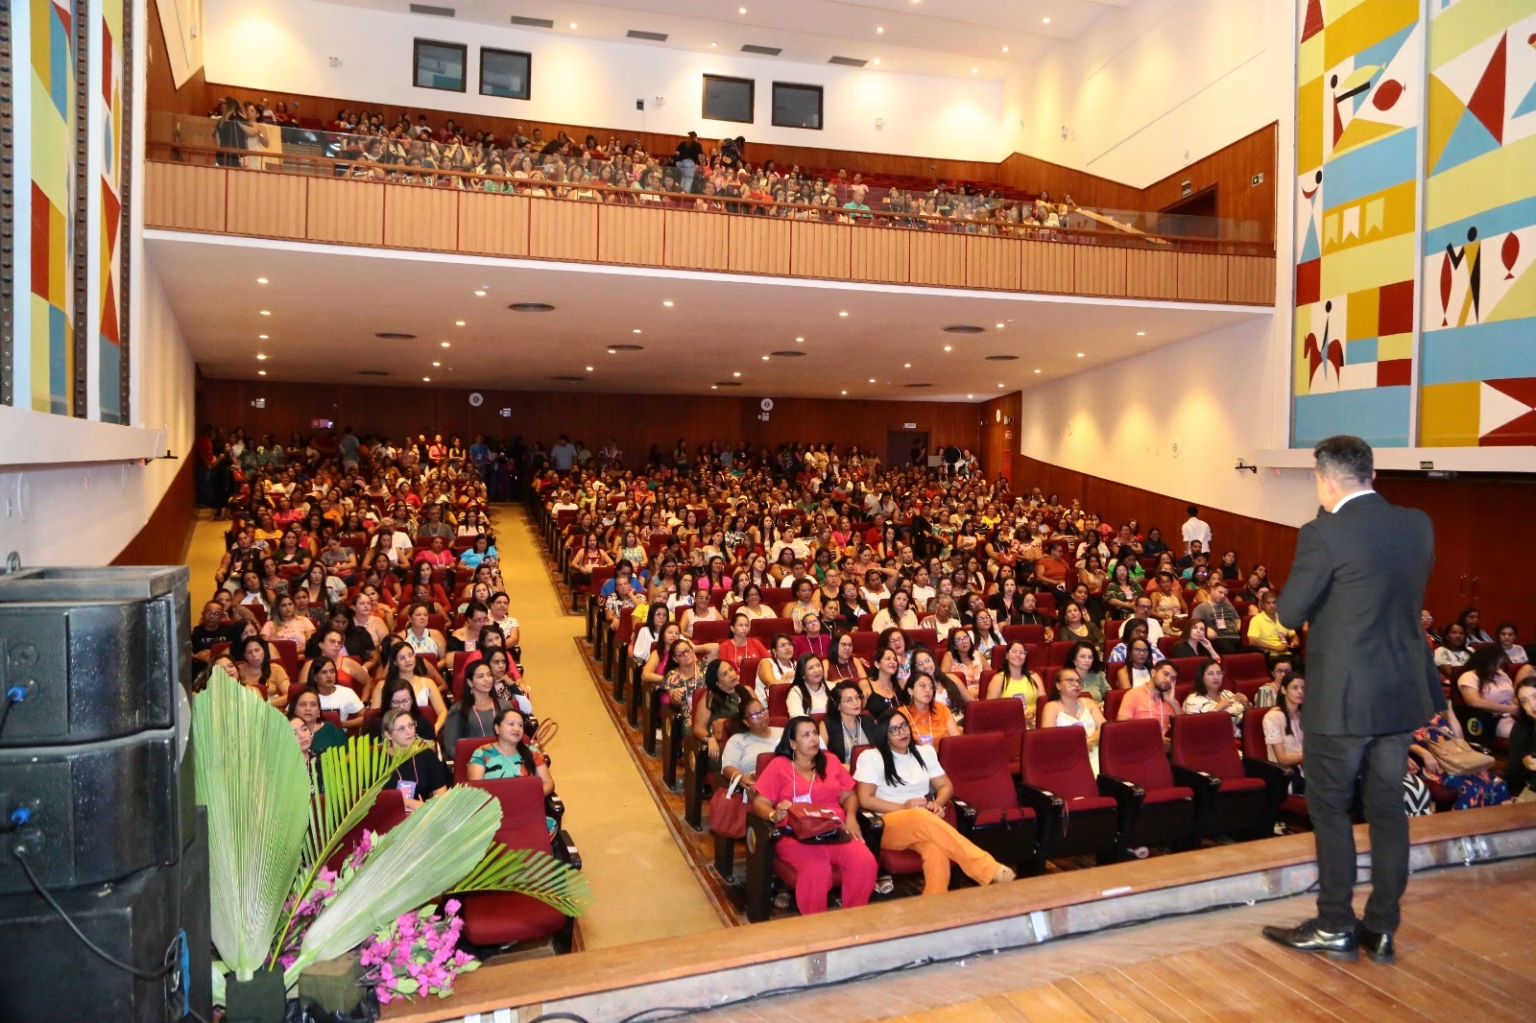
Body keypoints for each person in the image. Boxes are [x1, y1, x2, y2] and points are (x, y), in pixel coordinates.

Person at [1264, 436, 1442, 966]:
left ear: (1325, 478)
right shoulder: (1417, 524)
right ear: (1370, 473)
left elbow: (1290, 613)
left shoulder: (1324, 533)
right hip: (1399, 691)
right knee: (1388, 808)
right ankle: (1382, 926)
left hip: (1344, 699)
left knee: (1330, 808)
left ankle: (1335, 924)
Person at [854, 709, 1014, 895]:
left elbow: (946, 786)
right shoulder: (872, 757)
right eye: (894, 729)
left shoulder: (925, 752)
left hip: (923, 822)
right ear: (884, 735)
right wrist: (903, 808)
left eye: (904, 726)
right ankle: (988, 867)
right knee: (920, 815)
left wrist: (938, 803)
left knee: (935, 849)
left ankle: (934, 904)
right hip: (887, 824)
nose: (902, 732)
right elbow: (865, 799)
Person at [750, 716, 876, 916]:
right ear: (792, 742)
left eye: (815, 733)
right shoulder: (779, 766)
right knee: (817, 871)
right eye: (806, 735)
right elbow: (759, 803)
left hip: (834, 831)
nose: (814, 739)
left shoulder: (831, 761)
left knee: (865, 863)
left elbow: (849, 795)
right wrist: (774, 814)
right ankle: (816, 928)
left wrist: (851, 817)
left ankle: (853, 920)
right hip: (796, 836)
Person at [466, 708, 554, 797]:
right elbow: (476, 791)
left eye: (520, 725)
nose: (517, 729)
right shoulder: (482, 753)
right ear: (497, 728)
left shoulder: (532, 752)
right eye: (511, 724)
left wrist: (532, 797)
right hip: (495, 807)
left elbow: (548, 782)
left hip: (527, 805)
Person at [381, 708, 449, 813]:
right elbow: (372, 799)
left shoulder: (427, 755)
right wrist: (410, 803)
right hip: (388, 816)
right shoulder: (377, 761)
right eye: (401, 728)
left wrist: (429, 808)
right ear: (388, 734)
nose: (409, 732)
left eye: (411, 725)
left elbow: (441, 793)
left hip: (422, 815)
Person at [1041, 666, 1105, 774]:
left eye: (1078, 681)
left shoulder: (1088, 702)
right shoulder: (1051, 707)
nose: (1076, 684)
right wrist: (1079, 746)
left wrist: (1090, 742)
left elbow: (1104, 727)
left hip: (1094, 750)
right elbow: (1048, 738)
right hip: (1066, 755)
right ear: (1058, 685)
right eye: (1070, 680)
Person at [1455, 646, 1516, 739]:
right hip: (1491, 719)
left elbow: (1512, 695)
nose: (1498, 667)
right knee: (1525, 733)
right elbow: (1474, 702)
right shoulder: (1469, 676)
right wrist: (1507, 709)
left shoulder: (1501, 674)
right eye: (1495, 664)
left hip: (1513, 715)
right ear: (1485, 662)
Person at [721, 698, 782, 788]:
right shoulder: (738, 740)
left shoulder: (783, 733)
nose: (761, 716)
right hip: (755, 787)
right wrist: (741, 778)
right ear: (746, 722)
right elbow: (727, 767)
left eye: (762, 711)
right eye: (755, 715)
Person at [1117, 660, 1179, 746]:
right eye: (1165, 674)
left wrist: (1173, 702)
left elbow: (1185, 726)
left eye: (1173, 678)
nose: (1168, 680)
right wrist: (1155, 738)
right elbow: (1120, 728)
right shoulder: (1133, 694)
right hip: (1140, 745)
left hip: (1167, 749)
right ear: (1153, 673)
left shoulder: (1169, 698)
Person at [1262, 675, 1306, 794]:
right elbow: (1282, 759)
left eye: (1303, 688)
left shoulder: (1304, 714)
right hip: (1286, 774)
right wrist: (1311, 756)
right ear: (1283, 690)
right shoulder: (1273, 717)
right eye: (1295, 688)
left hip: (1307, 769)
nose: (1300, 691)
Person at [1182, 658, 1249, 735]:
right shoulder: (1193, 700)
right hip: (1215, 739)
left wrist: (1246, 705)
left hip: (1244, 735)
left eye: (1219, 673)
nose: (1216, 677)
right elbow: (1194, 729)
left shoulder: (1227, 693)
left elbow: (1248, 721)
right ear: (1201, 677)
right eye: (1210, 673)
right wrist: (1217, 709)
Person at [821, 682, 876, 768]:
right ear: (838, 705)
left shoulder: (869, 720)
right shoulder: (828, 725)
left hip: (872, 771)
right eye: (848, 700)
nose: (856, 703)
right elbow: (821, 756)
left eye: (857, 697)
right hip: (843, 773)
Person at [1504, 678, 1536, 799]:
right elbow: (1514, 772)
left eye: (1535, 697)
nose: (1532, 705)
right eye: (1524, 701)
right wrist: (1523, 762)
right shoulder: (1521, 729)